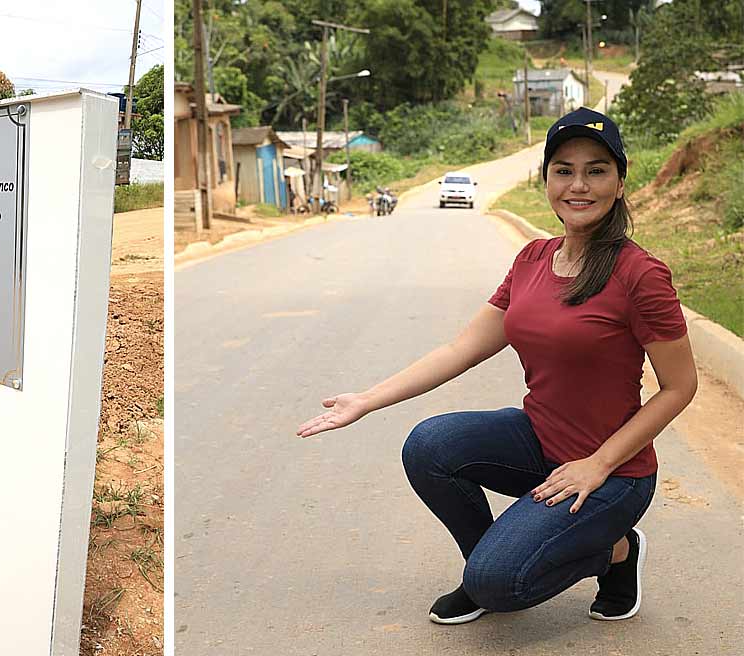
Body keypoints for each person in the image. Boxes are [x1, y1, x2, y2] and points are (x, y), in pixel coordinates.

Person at [296, 107, 696, 626]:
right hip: (541, 444)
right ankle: (493, 562)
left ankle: (614, 552)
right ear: (546, 180)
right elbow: (461, 349)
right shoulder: (532, 259)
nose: (579, 185)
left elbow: (679, 387)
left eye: (596, 170)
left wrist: (597, 465)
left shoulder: (640, 274)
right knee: (430, 445)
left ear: (620, 181)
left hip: (613, 473)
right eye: (564, 170)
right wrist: (367, 400)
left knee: (496, 583)